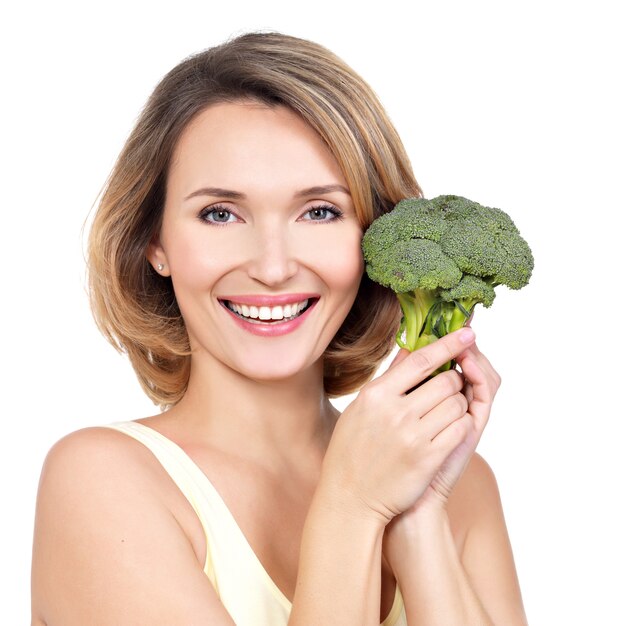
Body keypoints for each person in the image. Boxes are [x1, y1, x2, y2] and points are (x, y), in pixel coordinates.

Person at [30, 31, 527, 625]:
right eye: (220, 213)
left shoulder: (463, 487)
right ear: (154, 243)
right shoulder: (102, 481)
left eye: (319, 211)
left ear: (373, 239)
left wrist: (419, 515)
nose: (272, 266)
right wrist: (352, 505)